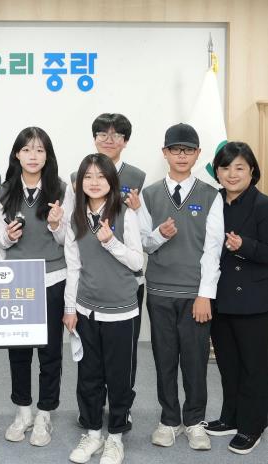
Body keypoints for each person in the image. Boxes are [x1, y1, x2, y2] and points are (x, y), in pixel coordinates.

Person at [132, 123, 223, 451]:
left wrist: (205, 295)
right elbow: (143, 242)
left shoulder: (211, 195)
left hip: (195, 296)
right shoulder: (149, 194)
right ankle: (169, 420)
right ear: (165, 153)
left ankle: (195, 420)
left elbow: (213, 249)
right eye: (175, 149)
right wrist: (160, 234)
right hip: (159, 293)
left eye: (188, 150)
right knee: (165, 358)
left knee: (195, 361)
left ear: (198, 154)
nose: (181, 155)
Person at [0, 127, 72, 446]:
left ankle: (45, 413)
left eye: (40, 150)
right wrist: (8, 236)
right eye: (27, 150)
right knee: (19, 351)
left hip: (53, 278)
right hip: (18, 281)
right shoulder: (4, 191)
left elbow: (68, 241)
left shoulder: (61, 189)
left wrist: (55, 225)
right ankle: (23, 410)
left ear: (47, 156)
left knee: (50, 351)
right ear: (17, 154)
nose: (33, 156)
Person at [63, 154, 143, 464]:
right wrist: (70, 308)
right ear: (80, 182)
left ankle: (116, 437)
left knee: (119, 378)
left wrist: (111, 243)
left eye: (100, 176)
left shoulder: (125, 213)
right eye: (88, 176)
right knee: (89, 375)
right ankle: (93, 433)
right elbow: (73, 267)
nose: (94, 182)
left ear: (111, 180)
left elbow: (137, 262)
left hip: (121, 311)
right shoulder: (75, 218)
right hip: (86, 310)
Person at [204, 141, 268, 455]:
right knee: (228, 365)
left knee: (254, 367)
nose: (232, 174)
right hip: (220, 297)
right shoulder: (213, 201)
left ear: (252, 171)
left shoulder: (262, 205)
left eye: (239, 167)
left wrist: (245, 246)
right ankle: (230, 417)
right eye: (225, 167)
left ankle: (252, 425)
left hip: (253, 301)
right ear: (217, 171)